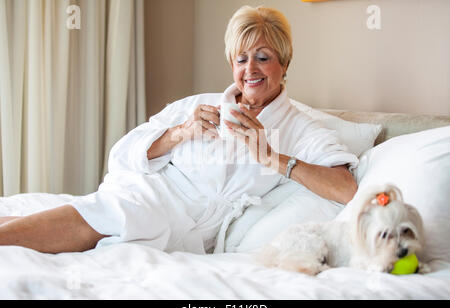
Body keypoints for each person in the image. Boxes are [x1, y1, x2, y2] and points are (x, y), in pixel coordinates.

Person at [0, 5, 358, 254]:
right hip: (152, 193)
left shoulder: (301, 126)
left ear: (284, 62)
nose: (251, 69)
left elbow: (346, 189)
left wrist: (272, 157)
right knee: (117, 210)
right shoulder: (198, 105)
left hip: (190, 222)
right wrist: (179, 133)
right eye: (241, 58)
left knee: (104, 216)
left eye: (263, 57)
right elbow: (122, 153)